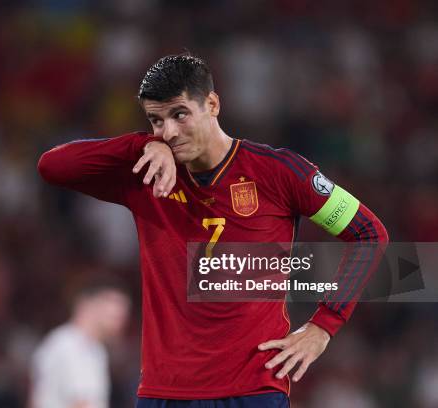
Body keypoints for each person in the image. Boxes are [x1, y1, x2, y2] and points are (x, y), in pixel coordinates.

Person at [37, 54, 388, 407]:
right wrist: (144, 144)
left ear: (212, 104)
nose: (169, 132)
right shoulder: (145, 174)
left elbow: (369, 234)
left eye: (179, 114)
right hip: (165, 392)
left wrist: (323, 326)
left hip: (251, 391)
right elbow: (52, 166)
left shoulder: (279, 172)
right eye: (156, 120)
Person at [30, 278, 131, 408]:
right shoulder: (75, 347)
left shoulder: (67, 342)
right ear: (88, 305)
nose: (120, 322)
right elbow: (82, 404)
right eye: (114, 316)